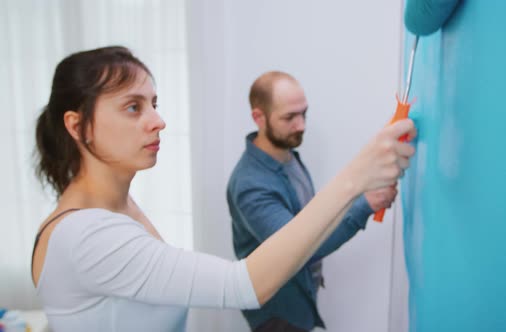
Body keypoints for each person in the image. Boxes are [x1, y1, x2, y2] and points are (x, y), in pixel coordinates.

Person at [31, 46, 416, 332]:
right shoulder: (87, 236)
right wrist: (357, 180)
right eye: (134, 107)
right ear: (77, 126)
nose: (158, 120)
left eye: (154, 103)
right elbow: (242, 286)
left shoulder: (120, 204)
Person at [227, 71, 400, 332]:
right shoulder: (251, 185)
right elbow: (299, 248)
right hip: (278, 317)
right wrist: (364, 205)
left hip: (300, 305)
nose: (301, 125)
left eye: (303, 113)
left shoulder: (288, 156)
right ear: (258, 118)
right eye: (289, 117)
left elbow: (312, 219)